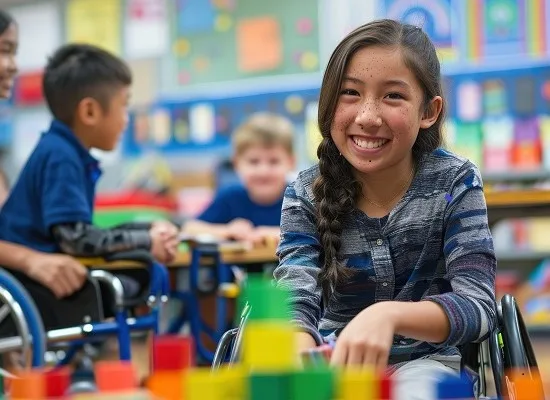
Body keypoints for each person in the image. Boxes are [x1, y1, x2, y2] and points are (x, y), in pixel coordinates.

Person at [274, 19, 496, 398]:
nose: (367, 116)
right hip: (331, 368)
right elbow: (295, 293)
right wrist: (298, 348)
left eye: (393, 96)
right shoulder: (304, 192)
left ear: (429, 111)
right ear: (328, 104)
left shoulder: (455, 182)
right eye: (350, 93)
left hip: (427, 367)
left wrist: (388, 316)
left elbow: (478, 306)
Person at [0, 42, 178, 335]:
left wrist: (148, 231)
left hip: (33, 277)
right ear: (90, 111)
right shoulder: (61, 156)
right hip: (26, 283)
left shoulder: (64, 151)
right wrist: (145, 240)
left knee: (139, 271)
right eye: (124, 105)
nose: (126, 118)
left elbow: (77, 231)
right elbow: (76, 239)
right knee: (139, 273)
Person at [182, 112, 296, 247]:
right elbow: (189, 229)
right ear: (236, 164)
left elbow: (320, 232)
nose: (263, 171)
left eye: (274, 162)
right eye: (253, 162)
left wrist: (281, 233)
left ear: (291, 162)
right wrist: (227, 231)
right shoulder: (230, 197)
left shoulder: (299, 198)